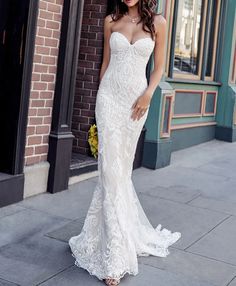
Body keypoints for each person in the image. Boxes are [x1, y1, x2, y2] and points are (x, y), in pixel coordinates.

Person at [68, 0, 181, 285]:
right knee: (108, 170)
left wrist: (148, 94)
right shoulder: (110, 21)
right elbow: (105, 65)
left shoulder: (158, 23)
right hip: (108, 100)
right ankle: (114, 257)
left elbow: (159, 68)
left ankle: (107, 236)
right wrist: (98, 106)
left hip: (136, 103)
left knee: (120, 173)